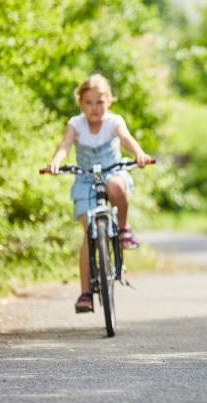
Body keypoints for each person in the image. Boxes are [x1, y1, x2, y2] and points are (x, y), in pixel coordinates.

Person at [45, 73, 152, 313]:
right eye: (89, 103)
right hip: (85, 178)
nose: (94, 108)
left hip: (112, 171)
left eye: (100, 102)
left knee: (116, 185)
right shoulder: (76, 124)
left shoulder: (114, 122)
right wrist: (55, 162)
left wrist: (140, 154)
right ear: (81, 103)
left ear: (109, 101)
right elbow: (64, 145)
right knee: (88, 231)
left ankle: (123, 229)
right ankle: (85, 293)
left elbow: (127, 139)